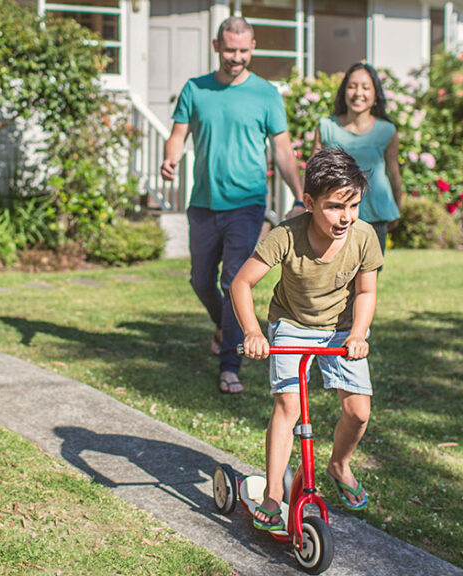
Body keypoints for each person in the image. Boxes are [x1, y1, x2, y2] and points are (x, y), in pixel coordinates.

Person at [230, 147, 382, 531]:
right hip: (292, 323)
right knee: (288, 408)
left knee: (359, 412)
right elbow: (242, 283)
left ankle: (338, 464)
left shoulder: (363, 237)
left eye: (354, 206)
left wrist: (359, 334)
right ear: (309, 202)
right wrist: (252, 331)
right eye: (334, 207)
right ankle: (274, 495)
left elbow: (365, 293)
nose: (346, 217)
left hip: (342, 328)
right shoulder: (286, 235)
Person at [160, 16, 304, 394]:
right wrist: (170, 158)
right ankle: (225, 326)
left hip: (247, 203)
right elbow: (177, 136)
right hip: (204, 202)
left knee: (232, 280)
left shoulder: (266, 94)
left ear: (252, 47)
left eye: (242, 50)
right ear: (216, 46)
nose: (236, 57)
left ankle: (230, 365)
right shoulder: (195, 89)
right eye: (229, 50)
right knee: (201, 280)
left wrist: (300, 195)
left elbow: (284, 151)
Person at [311, 62, 403, 254]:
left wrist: (396, 207)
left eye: (365, 87)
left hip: (376, 215)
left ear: (375, 94)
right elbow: (313, 171)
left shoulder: (387, 131)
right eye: (352, 86)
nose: (358, 93)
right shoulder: (327, 127)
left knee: (369, 276)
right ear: (344, 91)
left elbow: (393, 172)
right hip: (335, 215)